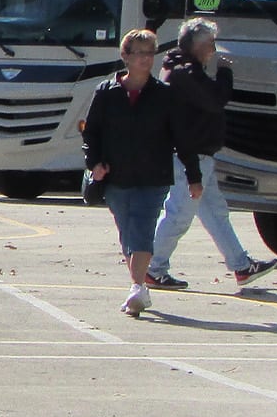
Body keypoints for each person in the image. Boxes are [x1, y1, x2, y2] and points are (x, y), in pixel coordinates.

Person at [145, 18, 277, 291]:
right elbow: (215, 99)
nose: (213, 51)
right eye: (211, 45)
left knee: (215, 212)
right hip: (189, 156)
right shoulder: (185, 72)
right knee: (179, 213)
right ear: (200, 45)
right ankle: (151, 268)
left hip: (197, 154)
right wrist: (226, 74)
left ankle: (241, 265)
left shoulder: (179, 68)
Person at [82, 27, 200, 318]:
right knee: (127, 233)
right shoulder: (106, 93)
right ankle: (139, 286)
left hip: (153, 175)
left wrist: (194, 176)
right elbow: (92, 133)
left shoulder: (164, 95)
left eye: (150, 53)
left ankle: (137, 286)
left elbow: (182, 137)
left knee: (144, 229)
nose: (146, 59)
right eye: (140, 53)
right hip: (116, 175)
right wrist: (94, 163)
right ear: (126, 56)